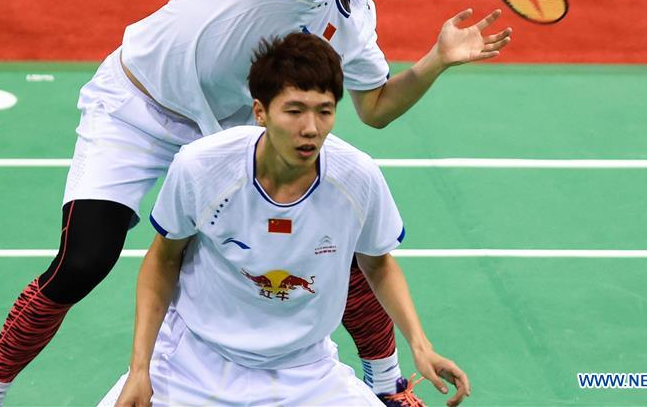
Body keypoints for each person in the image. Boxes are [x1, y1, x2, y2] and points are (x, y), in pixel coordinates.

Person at [0, 0, 509, 407]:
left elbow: (378, 107)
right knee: (83, 261)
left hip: (221, 131)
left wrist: (436, 61)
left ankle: (386, 382)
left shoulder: (357, 20)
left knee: (322, 242)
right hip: (134, 105)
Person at [100, 32, 471, 407]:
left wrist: (421, 346)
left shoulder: (357, 177)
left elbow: (378, 265)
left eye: (324, 111)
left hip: (305, 373)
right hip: (192, 363)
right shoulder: (202, 166)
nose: (310, 128)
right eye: (294, 111)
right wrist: (140, 369)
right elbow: (163, 258)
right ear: (260, 111)